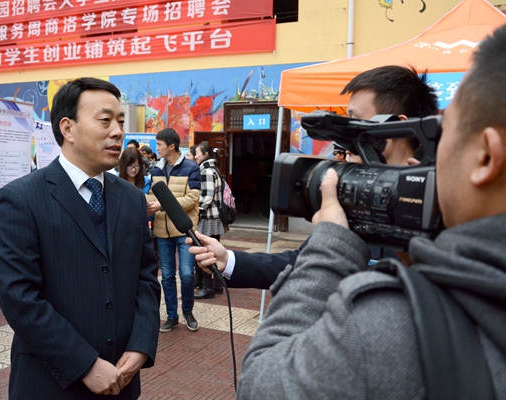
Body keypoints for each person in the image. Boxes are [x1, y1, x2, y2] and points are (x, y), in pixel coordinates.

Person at [237, 25, 506, 399]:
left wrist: (331, 247)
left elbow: (260, 385)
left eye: (447, 135)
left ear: (487, 156)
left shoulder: (386, 325)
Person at [188, 65, 439, 289]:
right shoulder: (350, 195)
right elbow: (304, 262)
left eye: (356, 121)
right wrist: (229, 260)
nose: (345, 137)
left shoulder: (441, 210)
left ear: (396, 128)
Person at [0, 77, 161, 399]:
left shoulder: (132, 199)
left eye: (120, 122)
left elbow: (146, 279)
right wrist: (85, 365)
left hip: (122, 380)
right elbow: (19, 297)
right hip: (50, 383)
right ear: (68, 128)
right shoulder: (21, 198)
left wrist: (141, 345)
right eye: (105, 120)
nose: (118, 132)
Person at [146, 128, 201, 332]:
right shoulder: (156, 170)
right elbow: (153, 196)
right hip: (162, 231)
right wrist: (144, 202)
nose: (157, 148)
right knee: (167, 276)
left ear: (171, 146)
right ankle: (172, 316)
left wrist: (162, 205)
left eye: (159, 144)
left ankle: (188, 311)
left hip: (185, 231)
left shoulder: (191, 168)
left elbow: (192, 199)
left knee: (187, 274)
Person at [193, 142, 226, 299]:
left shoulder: (206, 170)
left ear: (205, 155)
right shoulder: (214, 169)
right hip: (214, 217)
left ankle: (207, 288)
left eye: (197, 153)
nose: (195, 156)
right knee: (212, 250)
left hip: (208, 217)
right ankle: (217, 284)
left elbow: (207, 196)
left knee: (205, 251)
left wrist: (196, 209)